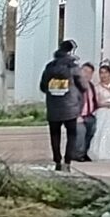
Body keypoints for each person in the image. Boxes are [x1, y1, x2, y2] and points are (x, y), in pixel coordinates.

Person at [40, 39, 83, 170]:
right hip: (70, 107)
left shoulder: (49, 67)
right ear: (71, 51)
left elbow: (43, 86)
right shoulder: (73, 67)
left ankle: (57, 161)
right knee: (72, 134)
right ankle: (67, 161)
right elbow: (83, 86)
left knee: (54, 134)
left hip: (53, 106)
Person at [76, 61, 100, 162]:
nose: (87, 74)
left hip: (89, 115)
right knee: (81, 131)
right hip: (77, 116)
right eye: (85, 71)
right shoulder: (75, 86)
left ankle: (85, 152)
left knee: (92, 130)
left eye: (90, 73)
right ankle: (78, 154)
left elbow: (93, 100)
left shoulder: (91, 86)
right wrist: (77, 115)